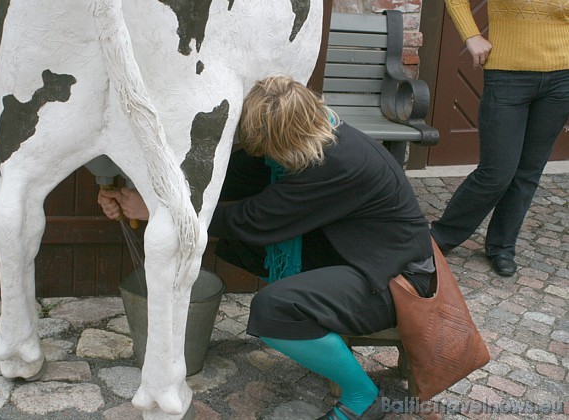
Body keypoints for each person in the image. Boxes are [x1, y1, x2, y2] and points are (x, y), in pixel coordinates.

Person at [99, 75, 435, 420]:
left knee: (275, 312)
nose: (260, 154)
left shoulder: (336, 164)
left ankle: (364, 395)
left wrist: (160, 211)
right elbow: (225, 176)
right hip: (360, 254)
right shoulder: (315, 138)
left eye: (266, 147)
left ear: (286, 137)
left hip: (397, 281)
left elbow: (253, 220)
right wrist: (140, 192)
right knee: (243, 249)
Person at [431, 0, 569, 276]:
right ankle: (439, 238)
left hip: (562, 79)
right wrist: (471, 35)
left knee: (528, 172)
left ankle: (502, 246)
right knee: (496, 172)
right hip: (508, 77)